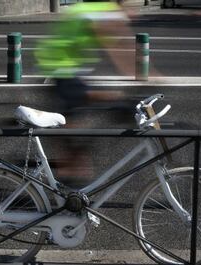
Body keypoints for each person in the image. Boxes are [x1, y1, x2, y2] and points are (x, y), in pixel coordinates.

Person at [34, 0, 136, 186]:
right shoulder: (103, 13)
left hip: (66, 66)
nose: (131, 11)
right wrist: (147, 79)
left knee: (73, 125)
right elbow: (117, 51)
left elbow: (118, 46)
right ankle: (67, 176)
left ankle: (67, 172)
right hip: (61, 68)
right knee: (83, 109)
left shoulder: (97, 10)